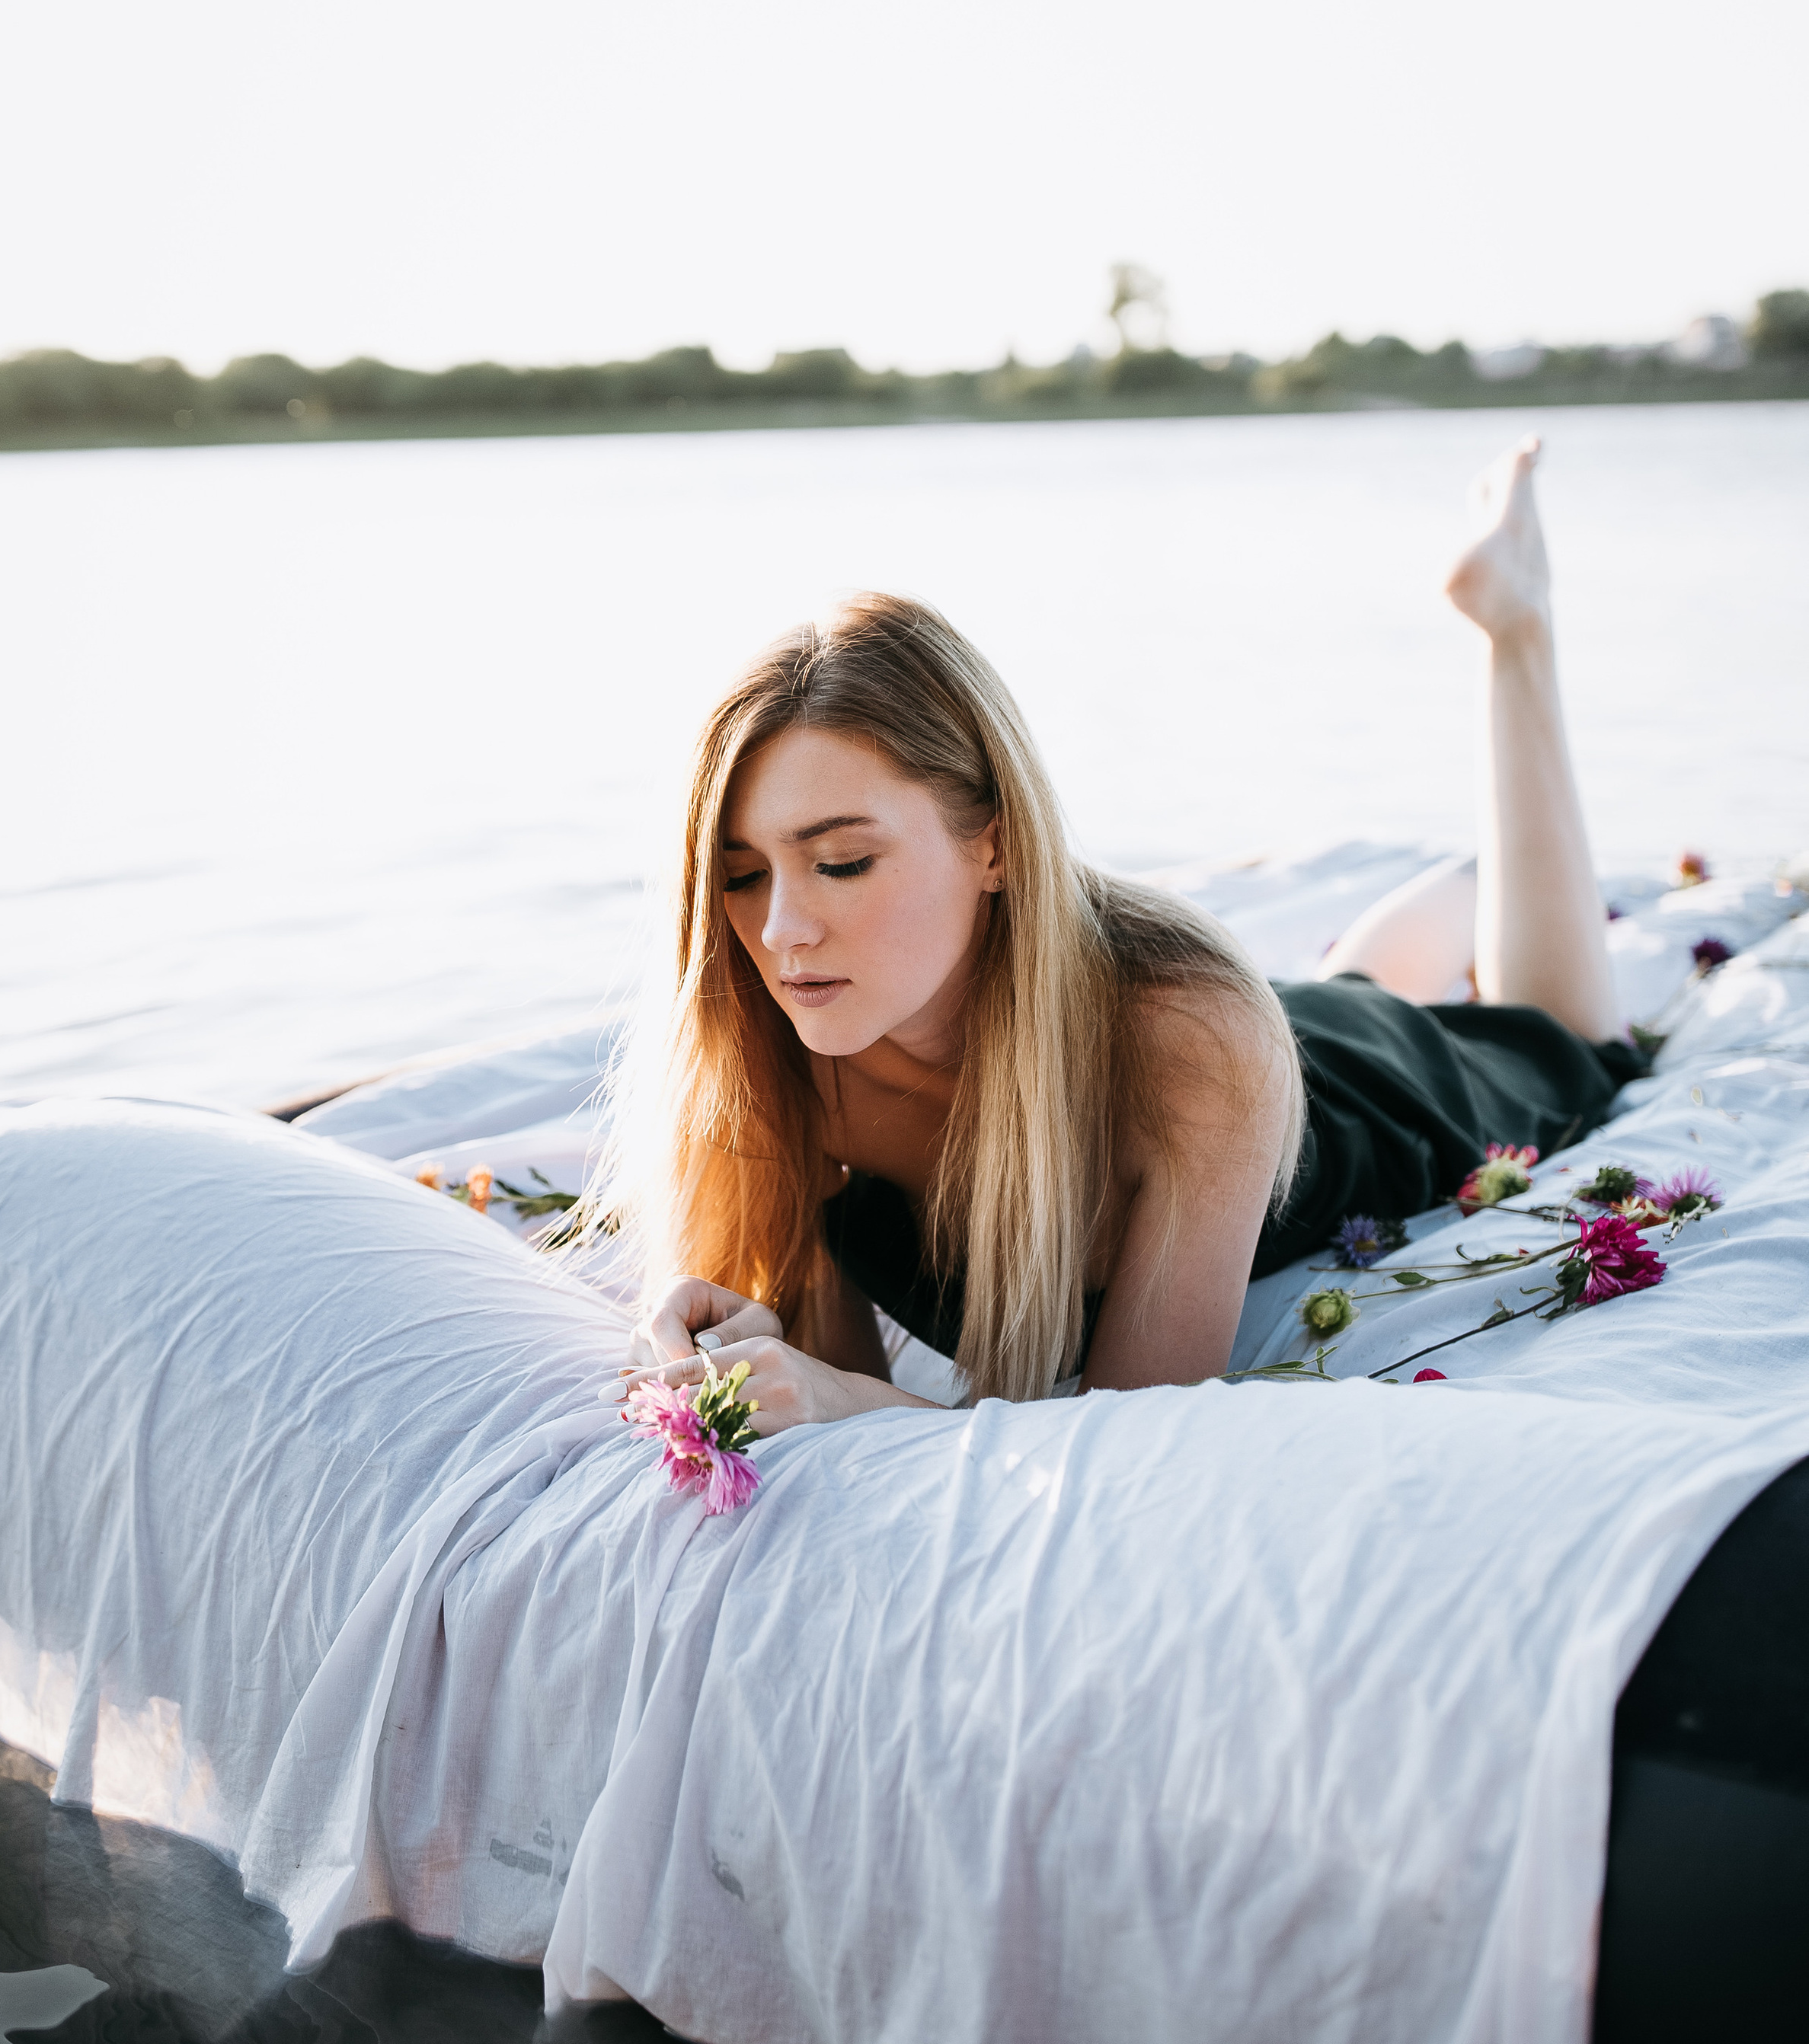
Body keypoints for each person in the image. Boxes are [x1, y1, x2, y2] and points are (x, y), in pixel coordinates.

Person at [614, 436, 1644, 1428]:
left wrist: (852, 1403)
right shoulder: (768, 1050)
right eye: (742, 877)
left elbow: (1126, 1441)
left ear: (998, 847)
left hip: (1352, 1090)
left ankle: (1516, 629)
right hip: (1241, 1032)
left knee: (1572, 1043)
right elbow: (828, 1406)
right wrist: (760, 1346)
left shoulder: (1190, 1039)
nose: (781, 930)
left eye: (842, 863)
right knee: (1355, 983)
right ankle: (1450, 890)